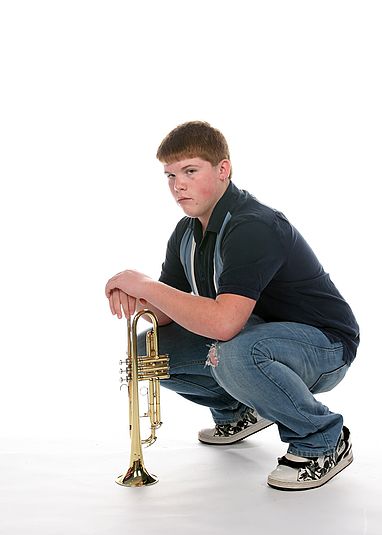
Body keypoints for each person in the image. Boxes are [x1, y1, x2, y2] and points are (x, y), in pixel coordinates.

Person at [105, 120, 360, 491]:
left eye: (190, 171)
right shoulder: (186, 231)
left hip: (324, 346)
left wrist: (145, 284)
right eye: (170, 175)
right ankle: (238, 412)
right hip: (256, 339)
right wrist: (137, 295)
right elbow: (170, 312)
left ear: (223, 169)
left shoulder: (253, 225)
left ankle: (322, 440)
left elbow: (224, 324)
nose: (178, 185)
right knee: (146, 350)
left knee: (235, 352)